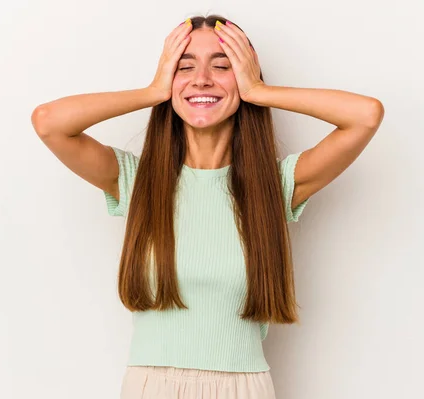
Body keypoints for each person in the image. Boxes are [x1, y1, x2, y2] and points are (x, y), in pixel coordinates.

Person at [31, 14, 384, 399]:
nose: (201, 79)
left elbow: (365, 116)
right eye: (185, 67)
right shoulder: (136, 179)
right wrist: (153, 91)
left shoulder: (275, 185)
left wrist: (259, 91)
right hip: (150, 386)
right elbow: (49, 122)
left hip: (244, 387)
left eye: (222, 65)